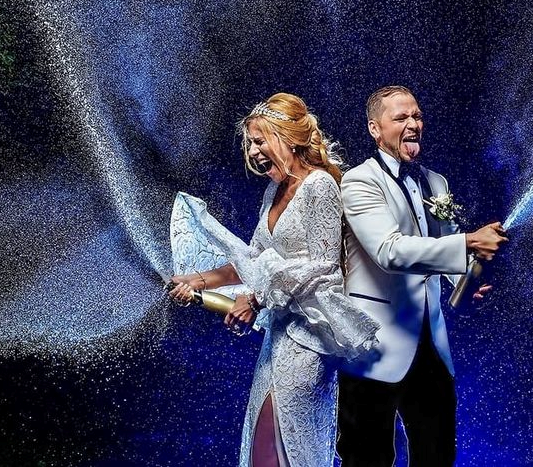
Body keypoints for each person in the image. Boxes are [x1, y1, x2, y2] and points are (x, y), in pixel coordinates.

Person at [169, 93, 379, 467]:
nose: (252, 151)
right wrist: (196, 281)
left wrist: (255, 300)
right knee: (261, 446)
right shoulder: (273, 192)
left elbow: (323, 267)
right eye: (250, 142)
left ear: (288, 137)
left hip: (308, 340)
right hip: (277, 339)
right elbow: (250, 262)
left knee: (285, 445)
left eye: (259, 140)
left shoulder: (319, 186)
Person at [337, 85, 508, 466]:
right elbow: (389, 251)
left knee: (438, 454)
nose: (413, 124)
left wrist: (467, 280)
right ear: (374, 130)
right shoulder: (358, 181)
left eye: (416, 116)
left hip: (432, 346)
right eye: (400, 118)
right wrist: (468, 242)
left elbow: (443, 250)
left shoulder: (436, 182)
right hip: (374, 347)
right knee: (367, 459)